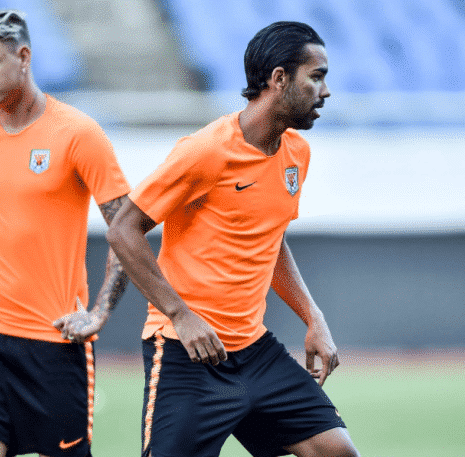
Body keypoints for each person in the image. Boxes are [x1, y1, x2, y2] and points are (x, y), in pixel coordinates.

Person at [107, 21, 359, 457]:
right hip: (189, 353)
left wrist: (312, 317)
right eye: (316, 77)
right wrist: (181, 315)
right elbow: (123, 229)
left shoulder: (296, 153)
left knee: (336, 452)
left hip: (254, 350)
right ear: (279, 79)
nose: (326, 91)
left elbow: (269, 237)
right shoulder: (205, 151)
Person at [0, 9, 130, 457]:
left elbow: (126, 227)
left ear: (24, 57)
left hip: (56, 339)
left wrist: (99, 312)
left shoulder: (79, 133)